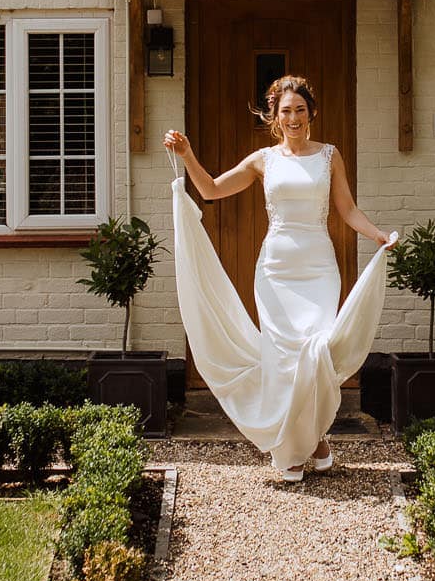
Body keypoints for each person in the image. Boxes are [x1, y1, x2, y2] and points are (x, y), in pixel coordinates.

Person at [164, 75, 398, 480]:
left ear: (312, 114)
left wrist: (375, 233)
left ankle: (315, 437)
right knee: (285, 360)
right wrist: (187, 155)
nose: (294, 118)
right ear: (274, 116)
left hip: (319, 270)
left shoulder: (329, 156)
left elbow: (347, 210)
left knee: (316, 350)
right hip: (275, 272)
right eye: (286, 111)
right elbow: (211, 190)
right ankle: (301, 447)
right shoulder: (263, 160)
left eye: (300, 110)